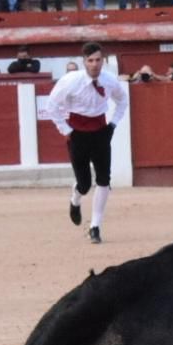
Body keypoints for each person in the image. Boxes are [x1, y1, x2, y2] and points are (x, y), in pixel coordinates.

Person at [49, 43, 128, 243]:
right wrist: (66, 130)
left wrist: (113, 125)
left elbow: (123, 100)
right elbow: (52, 105)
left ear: (103, 60)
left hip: (101, 131)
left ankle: (95, 226)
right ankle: (75, 199)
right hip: (78, 134)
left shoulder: (109, 80)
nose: (94, 64)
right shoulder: (70, 81)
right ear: (84, 62)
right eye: (90, 60)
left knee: (104, 179)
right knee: (84, 184)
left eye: (98, 60)